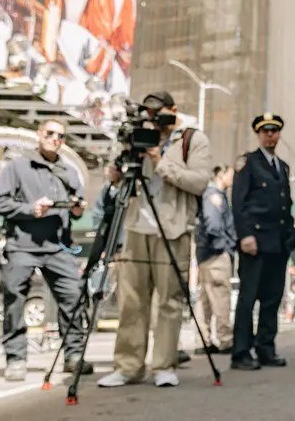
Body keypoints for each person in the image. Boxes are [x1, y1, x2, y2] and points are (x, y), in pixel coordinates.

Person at [97, 92, 212, 389]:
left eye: (159, 114)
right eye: (149, 115)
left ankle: (163, 365)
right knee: (131, 302)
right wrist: (116, 172)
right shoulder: (137, 135)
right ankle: (127, 367)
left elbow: (199, 183)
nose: (153, 121)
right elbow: (119, 174)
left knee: (169, 302)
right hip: (136, 227)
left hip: (173, 229)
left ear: (173, 111)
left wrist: (160, 161)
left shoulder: (192, 139)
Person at [0, 119, 90, 381]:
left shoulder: (68, 171)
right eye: (50, 133)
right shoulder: (18, 166)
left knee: (73, 296)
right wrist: (29, 209)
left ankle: (74, 355)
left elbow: (76, 207)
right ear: (39, 134)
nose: (55, 139)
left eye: (61, 136)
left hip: (58, 246)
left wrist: (77, 209)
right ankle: (16, 358)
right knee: (14, 300)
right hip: (23, 244)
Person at [231, 113, 295, 371]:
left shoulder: (282, 166)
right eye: (265, 131)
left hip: (278, 243)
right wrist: (245, 235)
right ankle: (241, 352)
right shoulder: (247, 163)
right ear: (258, 134)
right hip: (255, 241)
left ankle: (266, 348)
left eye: (274, 130)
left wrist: (290, 234)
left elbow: (285, 204)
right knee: (248, 299)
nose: (270, 135)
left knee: (271, 299)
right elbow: (239, 202)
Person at [194, 165, 237, 355]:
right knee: (220, 297)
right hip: (215, 254)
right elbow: (213, 224)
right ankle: (225, 338)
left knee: (206, 299)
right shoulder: (215, 196)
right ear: (222, 174)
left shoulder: (210, 194)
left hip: (206, 254)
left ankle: (203, 340)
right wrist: (226, 245)